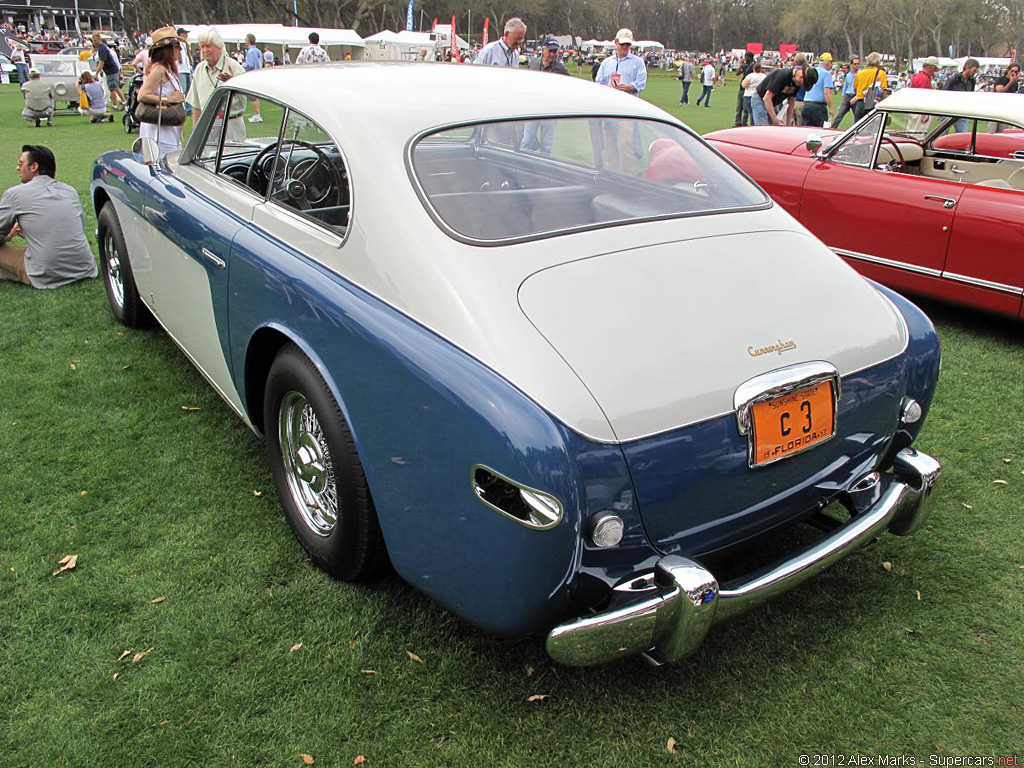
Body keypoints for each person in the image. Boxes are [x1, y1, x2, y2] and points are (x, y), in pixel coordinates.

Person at [0, 145, 97, 289]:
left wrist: (8, 236)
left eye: (21, 163)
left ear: (34, 167)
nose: (17, 168)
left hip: (44, 273)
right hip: (84, 268)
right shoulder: (70, 191)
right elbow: (76, 226)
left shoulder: (14, 194)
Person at [596, 29, 647, 173]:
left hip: (627, 111)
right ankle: (613, 178)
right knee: (610, 147)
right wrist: (609, 88)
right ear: (616, 42)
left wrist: (628, 88)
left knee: (625, 147)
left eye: (628, 45)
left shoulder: (637, 62)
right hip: (609, 111)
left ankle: (627, 179)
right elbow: (598, 82)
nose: (625, 47)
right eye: (622, 44)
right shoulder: (606, 63)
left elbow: (641, 84)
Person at [187, 26, 245, 136]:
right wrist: (196, 133)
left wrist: (234, 83)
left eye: (208, 46)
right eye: (202, 46)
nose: (204, 50)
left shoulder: (234, 67)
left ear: (219, 47)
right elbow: (196, 106)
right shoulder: (199, 69)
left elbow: (253, 98)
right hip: (207, 127)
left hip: (231, 126)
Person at [137, 27, 186, 158]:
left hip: (167, 128)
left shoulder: (167, 69)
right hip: (159, 132)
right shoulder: (158, 70)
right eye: (177, 46)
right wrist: (169, 99)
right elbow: (142, 95)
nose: (180, 49)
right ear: (167, 50)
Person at [521, 38, 569, 154]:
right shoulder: (533, 63)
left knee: (546, 145)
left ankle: (542, 169)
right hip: (532, 108)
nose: (552, 54)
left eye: (555, 51)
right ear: (543, 50)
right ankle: (522, 167)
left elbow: (569, 87)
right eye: (550, 51)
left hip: (550, 111)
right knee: (527, 141)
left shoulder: (561, 69)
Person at [751, 65, 816, 126]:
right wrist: (775, 119)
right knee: (764, 128)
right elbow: (767, 98)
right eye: (801, 84)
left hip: (772, 102)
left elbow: (791, 102)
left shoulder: (797, 83)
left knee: (773, 129)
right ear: (801, 77)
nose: (800, 85)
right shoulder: (782, 76)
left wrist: (788, 122)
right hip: (760, 99)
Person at [944, 58, 979, 132]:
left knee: (963, 134)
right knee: (942, 134)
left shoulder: (972, 81)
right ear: (967, 68)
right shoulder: (953, 79)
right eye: (974, 70)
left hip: (962, 111)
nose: (975, 73)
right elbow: (944, 92)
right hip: (948, 110)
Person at [92, 32, 125, 109]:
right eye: (93, 41)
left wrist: (97, 72)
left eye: (95, 40)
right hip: (112, 70)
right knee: (116, 87)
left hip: (110, 70)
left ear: (99, 40)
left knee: (112, 88)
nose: (94, 42)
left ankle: (115, 105)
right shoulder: (103, 47)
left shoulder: (102, 49)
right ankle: (124, 102)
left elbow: (101, 62)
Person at [851, 52, 887, 121]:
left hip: (860, 103)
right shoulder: (881, 73)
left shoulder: (860, 73)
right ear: (877, 62)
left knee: (858, 127)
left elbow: (855, 87)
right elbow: (883, 90)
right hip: (873, 103)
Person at [802, 53, 835, 127]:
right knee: (819, 130)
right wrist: (831, 108)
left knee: (805, 129)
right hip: (818, 107)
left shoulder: (812, 71)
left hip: (806, 104)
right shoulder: (826, 74)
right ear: (828, 63)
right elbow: (827, 92)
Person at [833, 56, 860, 128]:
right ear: (851, 65)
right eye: (855, 64)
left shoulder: (861, 74)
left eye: (858, 64)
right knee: (840, 114)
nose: (856, 65)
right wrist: (843, 96)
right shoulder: (848, 75)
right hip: (848, 96)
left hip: (856, 96)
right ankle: (833, 128)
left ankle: (857, 130)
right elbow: (845, 86)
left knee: (857, 116)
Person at [242, 34, 264, 123]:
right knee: (255, 96)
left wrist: (242, 66)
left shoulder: (250, 51)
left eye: (246, 39)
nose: (245, 40)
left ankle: (257, 115)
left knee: (252, 97)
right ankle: (257, 114)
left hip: (252, 75)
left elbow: (249, 65)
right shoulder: (258, 51)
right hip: (258, 74)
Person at [733, 51, 755, 125]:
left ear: (749, 57)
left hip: (748, 89)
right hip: (742, 87)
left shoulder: (753, 66)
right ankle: (738, 122)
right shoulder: (745, 65)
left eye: (746, 57)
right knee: (739, 107)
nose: (745, 59)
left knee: (745, 108)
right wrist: (741, 65)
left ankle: (743, 123)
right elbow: (738, 73)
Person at [177, 28, 193, 116]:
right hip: (180, 70)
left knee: (189, 90)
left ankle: (188, 109)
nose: (186, 35)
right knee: (182, 90)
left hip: (187, 69)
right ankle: (182, 108)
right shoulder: (176, 43)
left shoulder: (185, 44)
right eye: (185, 33)